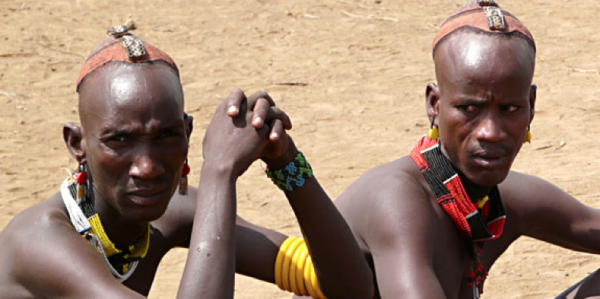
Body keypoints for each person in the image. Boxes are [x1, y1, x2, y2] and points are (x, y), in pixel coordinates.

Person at [0, 26, 373, 299]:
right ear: (77, 143)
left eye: (166, 137)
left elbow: (349, 287)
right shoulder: (40, 241)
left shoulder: (174, 213)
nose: (146, 167)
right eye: (119, 140)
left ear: (188, 132)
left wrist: (284, 159)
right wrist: (218, 172)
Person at [297, 1, 600, 298]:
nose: (491, 133)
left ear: (531, 107)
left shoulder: (500, 199)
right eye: (469, 108)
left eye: (510, 108)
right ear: (434, 105)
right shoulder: (397, 204)